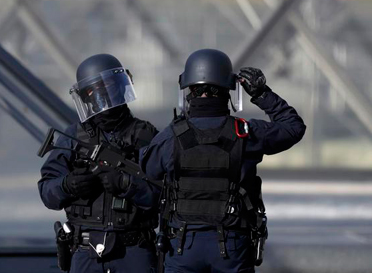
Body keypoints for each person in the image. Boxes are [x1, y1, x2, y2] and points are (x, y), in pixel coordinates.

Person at [141, 49, 306, 273]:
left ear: (189, 90)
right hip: (232, 245)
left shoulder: (171, 136)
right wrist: (261, 93)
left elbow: (149, 169)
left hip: (182, 246)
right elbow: (293, 128)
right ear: (228, 90)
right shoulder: (245, 132)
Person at [38, 54, 160, 273]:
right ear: (85, 98)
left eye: (109, 90)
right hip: (85, 250)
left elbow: (164, 195)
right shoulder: (73, 136)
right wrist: (67, 185)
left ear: (121, 88)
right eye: (95, 93)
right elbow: (47, 192)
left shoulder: (146, 136)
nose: (104, 99)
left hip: (133, 248)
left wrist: (127, 184)